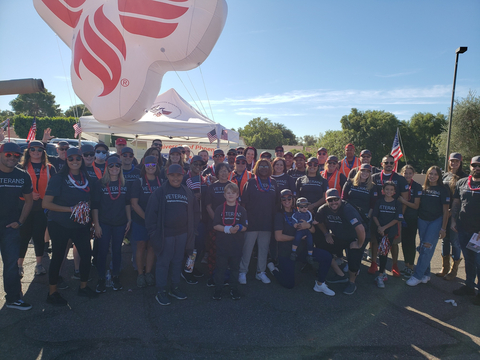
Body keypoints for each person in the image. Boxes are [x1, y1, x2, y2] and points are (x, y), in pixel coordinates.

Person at [43, 147, 97, 306]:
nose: (75, 161)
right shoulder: (58, 178)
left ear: (82, 160)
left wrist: (91, 219)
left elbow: (90, 201)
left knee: (86, 255)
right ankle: (52, 293)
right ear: (66, 160)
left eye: (78, 159)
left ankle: (83, 287)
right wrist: (70, 209)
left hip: (80, 224)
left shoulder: (86, 177)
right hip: (59, 223)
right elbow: (46, 204)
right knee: (58, 257)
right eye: (71, 159)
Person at [145, 164, 196, 306]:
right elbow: (150, 216)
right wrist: (153, 234)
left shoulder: (187, 192)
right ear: (167, 175)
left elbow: (194, 212)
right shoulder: (159, 192)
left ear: (183, 176)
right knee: (163, 263)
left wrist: (192, 231)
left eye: (179, 175)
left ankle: (175, 287)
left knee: (177, 261)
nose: (176, 178)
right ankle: (161, 290)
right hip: (164, 235)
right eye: (172, 175)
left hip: (182, 234)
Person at [268, 189, 334, 295]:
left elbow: (312, 230)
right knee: (289, 284)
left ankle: (320, 284)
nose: (286, 201)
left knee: (327, 256)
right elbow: (278, 237)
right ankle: (273, 269)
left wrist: (308, 226)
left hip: (302, 250)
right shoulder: (279, 215)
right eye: (283, 199)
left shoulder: (301, 211)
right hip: (286, 253)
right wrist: (296, 238)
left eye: (289, 198)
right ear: (280, 201)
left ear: (293, 199)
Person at [0, 142, 33, 310]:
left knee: (12, 265)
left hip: (10, 227)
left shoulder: (22, 175)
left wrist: (20, 221)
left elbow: (29, 201)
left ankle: (13, 299)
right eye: (8, 154)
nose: (12, 158)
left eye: (16, 155)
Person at [315, 189, 366, 295]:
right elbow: (318, 222)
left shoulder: (347, 209)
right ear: (326, 201)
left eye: (336, 199)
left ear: (340, 199)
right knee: (323, 249)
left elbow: (360, 229)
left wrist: (359, 244)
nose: (333, 202)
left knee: (353, 260)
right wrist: (326, 233)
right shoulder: (323, 209)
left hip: (355, 237)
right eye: (330, 200)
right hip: (339, 236)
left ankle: (352, 282)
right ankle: (340, 275)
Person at [92, 156, 131, 293]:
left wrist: (129, 220)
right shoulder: (100, 184)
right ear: (107, 168)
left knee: (117, 251)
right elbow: (95, 206)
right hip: (104, 223)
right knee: (102, 251)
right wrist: (96, 224)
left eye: (117, 166)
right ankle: (101, 278)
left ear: (120, 168)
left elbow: (127, 203)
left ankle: (116, 277)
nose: (114, 168)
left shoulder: (125, 184)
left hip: (120, 223)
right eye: (111, 166)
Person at [17, 141, 56, 277]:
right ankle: (19, 265)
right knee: (23, 237)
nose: (36, 152)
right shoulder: (20, 167)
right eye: (32, 149)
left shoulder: (50, 168)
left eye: (39, 150)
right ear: (28, 151)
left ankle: (39, 265)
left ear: (43, 152)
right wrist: (26, 194)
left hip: (42, 208)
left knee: (39, 237)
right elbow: (14, 189)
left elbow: (55, 187)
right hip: (25, 208)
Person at [406, 166, 449, 287]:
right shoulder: (423, 188)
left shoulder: (443, 190)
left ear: (439, 176)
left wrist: (443, 228)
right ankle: (426, 274)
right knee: (424, 248)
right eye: (430, 174)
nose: (432, 176)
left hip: (436, 221)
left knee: (426, 247)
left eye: (435, 174)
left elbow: (446, 211)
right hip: (422, 220)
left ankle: (417, 276)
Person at [239, 159, 278, 284]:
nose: (263, 168)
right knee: (247, 249)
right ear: (256, 167)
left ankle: (260, 272)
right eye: (260, 165)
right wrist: (244, 221)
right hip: (251, 222)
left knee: (263, 249)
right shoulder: (250, 183)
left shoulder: (274, 183)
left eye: (266, 165)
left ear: (270, 168)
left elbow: (277, 204)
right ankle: (242, 271)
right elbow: (243, 204)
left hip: (267, 222)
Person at [370, 154, 409, 276]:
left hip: (393, 217)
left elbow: (405, 199)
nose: (389, 165)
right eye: (386, 162)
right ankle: (373, 263)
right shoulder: (374, 177)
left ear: (394, 164)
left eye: (391, 163)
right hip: (377, 215)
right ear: (382, 164)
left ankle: (395, 264)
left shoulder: (400, 179)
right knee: (375, 241)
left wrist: (399, 217)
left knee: (393, 243)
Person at [450, 156, 480, 301]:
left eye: (479, 165)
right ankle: (469, 287)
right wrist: (453, 220)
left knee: (479, 261)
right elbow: (456, 202)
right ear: (470, 166)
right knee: (469, 259)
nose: (477, 168)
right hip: (463, 229)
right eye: (474, 165)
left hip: (478, 233)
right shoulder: (462, 182)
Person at [212, 183, 248, 300]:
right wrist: (228, 229)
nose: (230, 195)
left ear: (237, 195)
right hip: (222, 245)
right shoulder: (219, 209)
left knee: (234, 268)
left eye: (233, 193)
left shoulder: (242, 210)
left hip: (236, 245)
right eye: (228, 193)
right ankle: (218, 289)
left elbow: (245, 227)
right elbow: (216, 226)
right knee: (220, 268)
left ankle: (234, 288)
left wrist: (239, 228)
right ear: (224, 195)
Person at [130, 155, 162, 288]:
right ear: (144, 166)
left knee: (152, 247)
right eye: (148, 165)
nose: (150, 167)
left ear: (156, 166)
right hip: (141, 220)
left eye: (153, 165)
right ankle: (140, 274)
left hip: (156, 222)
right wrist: (147, 219)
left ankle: (148, 273)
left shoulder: (162, 181)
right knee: (141, 246)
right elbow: (134, 204)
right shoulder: (139, 182)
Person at [437, 153, 468, 280]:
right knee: (445, 240)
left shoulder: (465, 177)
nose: (454, 163)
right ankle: (444, 267)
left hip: (456, 214)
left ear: (460, 163)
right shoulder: (445, 175)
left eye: (456, 161)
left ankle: (453, 270)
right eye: (452, 161)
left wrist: (453, 211)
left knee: (455, 242)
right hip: (444, 212)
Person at [182, 155, 209, 283]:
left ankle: (192, 267)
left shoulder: (203, 179)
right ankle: (186, 270)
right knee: (190, 247)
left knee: (200, 245)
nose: (198, 167)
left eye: (200, 165)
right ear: (190, 164)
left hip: (202, 218)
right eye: (195, 164)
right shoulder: (185, 179)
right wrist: (193, 196)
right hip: (189, 219)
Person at [372, 181, 403, 288]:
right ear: (383, 191)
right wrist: (380, 227)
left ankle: (380, 275)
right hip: (379, 230)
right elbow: (375, 215)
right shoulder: (379, 201)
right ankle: (382, 271)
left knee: (384, 252)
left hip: (389, 232)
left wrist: (385, 228)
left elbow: (397, 218)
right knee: (380, 251)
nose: (389, 191)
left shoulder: (397, 203)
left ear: (394, 192)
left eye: (391, 190)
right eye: (387, 189)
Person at [205, 163, 232, 285]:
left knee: (227, 252)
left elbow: (237, 205)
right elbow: (208, 206)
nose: (223, 173)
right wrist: (216, 221)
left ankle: (226, 276)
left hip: (230, 225)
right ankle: (212, 276)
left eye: (225, 170)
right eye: (221, 170)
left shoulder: (233, 187)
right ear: (217, 173)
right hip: (215, 225)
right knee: (213, 251)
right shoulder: (212, 187)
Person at [397, 165, 422, 279]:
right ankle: (406, 265)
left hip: (411, 217)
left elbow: (416, 206)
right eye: (405, 173)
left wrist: (403, 201)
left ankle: (411, 267)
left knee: (410, 242)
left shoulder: (417, 186)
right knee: (403, 242)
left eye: (409, 173)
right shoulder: (399, 184)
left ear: (413, 174)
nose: (407, 175)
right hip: (399, 216)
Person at [290, 197, 315, 264]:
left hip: (307, 230)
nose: (304, 208)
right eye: (301, 207)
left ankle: (310, 255)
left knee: (310, 241)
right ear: (298, 207)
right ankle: (293, 251)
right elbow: (293, 219)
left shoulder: (309, 213)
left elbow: (311, 220)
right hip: (300, 229)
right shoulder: (297, 214)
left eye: (305, 206)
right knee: (297, 238)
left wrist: (313, 222)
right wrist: (295, 224)